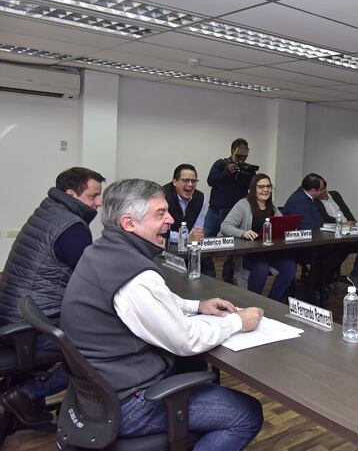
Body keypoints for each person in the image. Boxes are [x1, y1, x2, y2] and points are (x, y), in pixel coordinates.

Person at [60, 179, 263, 449]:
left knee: (193, 367)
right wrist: (240, 321)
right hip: (130, 404)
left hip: (100, 393)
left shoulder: (101, 251)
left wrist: (196, 306)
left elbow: (153, 302)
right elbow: (186, 340)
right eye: (159, 214)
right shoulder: (136, 278)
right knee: (246, 413)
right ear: (129, 223)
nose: (170, 219)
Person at [0, 166, 104, 425]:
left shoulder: (48, 210)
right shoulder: (72, 227)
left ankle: (27, 397)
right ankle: (28, 393)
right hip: (30, 327)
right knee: (100, 349)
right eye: (93, 196)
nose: (99, 202)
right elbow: (92, 279)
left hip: (14, 314)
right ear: (71, 193)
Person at [221, 174, 296, 301]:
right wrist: (242, 233)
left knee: (290, 267)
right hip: (247, 253)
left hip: (268, 252)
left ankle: (272, 302)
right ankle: (252, 303)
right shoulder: (243, 205)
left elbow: (282, 224)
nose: (265, 190)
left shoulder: (272, 207)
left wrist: (289, 228)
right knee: (261, 268)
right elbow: (225, 226)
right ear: (253, 189)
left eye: (268, 186)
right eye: (261, 186)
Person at [282, 174, 347, 298]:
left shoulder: (307, 197)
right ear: (312, 190)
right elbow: (312, 228)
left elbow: (319, 223)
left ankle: (316, 283)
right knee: (337, 250)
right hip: (301, 245)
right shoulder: (299, 201)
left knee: (341, 248)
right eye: (322, 189)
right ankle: (308, 288)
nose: (324, 192)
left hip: (312, 240)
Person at [314, 182, 358, 291]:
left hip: (349, 229)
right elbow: (325, 219)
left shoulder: (335, 194)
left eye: (321, 189)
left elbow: (346, 210)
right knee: (340, 249)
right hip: (336, 231)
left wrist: (353, 222)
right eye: (317, 190)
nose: (320, 193)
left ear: (325, 188)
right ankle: (323, 280)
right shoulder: (315, 201)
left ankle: (355, 274)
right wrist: (342, 224)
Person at [204, 138, 257, 240]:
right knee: (206, 239)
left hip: (237, 213)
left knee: (238, 241)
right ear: (233, 150)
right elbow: (210, 181)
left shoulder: (248, 169)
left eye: (246, 151)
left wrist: (244, 173)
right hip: (216, 211)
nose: (243, 155)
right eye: (241, 151)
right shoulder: (221, 164)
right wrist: (226, 172)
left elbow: (254, 187)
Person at [162, 163, 205, 245]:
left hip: (191, 245)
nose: (190, 184)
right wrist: (185, 238)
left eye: (193, 181)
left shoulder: (201, 197)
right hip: (165, 245)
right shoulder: (162, 196)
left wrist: (194, 237)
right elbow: (160, 230)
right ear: (174, 182)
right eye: (185, 180)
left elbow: (197, 229)